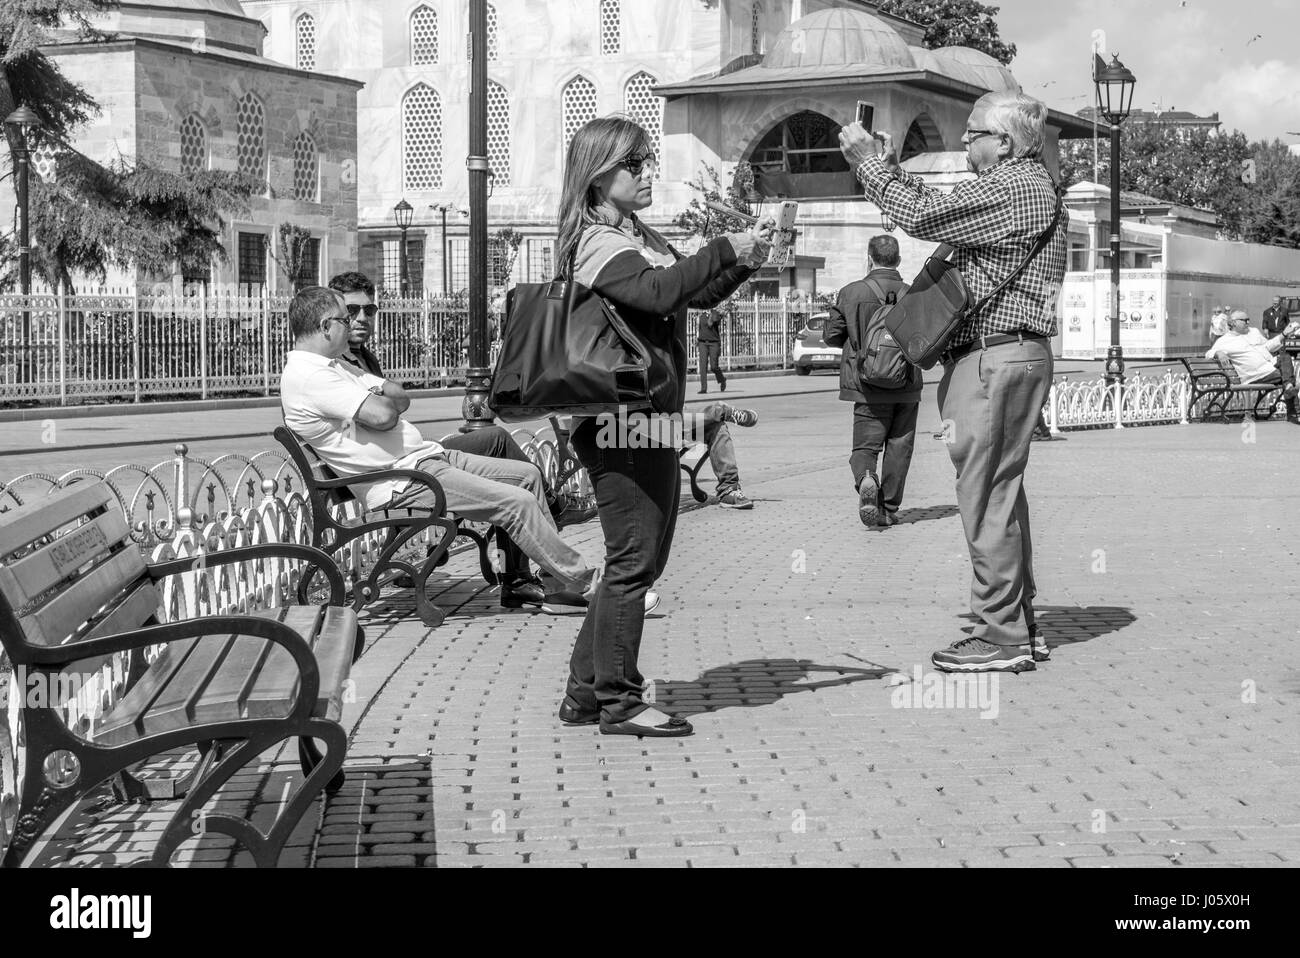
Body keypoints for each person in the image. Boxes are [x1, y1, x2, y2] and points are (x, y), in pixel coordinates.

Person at [556, 114, 771, 737]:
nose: (647, 172)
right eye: (634, 164)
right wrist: (723, 247)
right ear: (598, 176)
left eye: (648, 161)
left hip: (648, 418)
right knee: (632, 562)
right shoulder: (596, 241)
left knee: (640, 559)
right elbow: (654, 293)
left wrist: (745, 258)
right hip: (616, 422)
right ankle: (620, 703)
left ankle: (583, 695)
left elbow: (688, 294)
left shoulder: (636, 232)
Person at [840, 91, 1066, 674]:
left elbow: (924, 216)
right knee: (1001, 490)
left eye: (973, 134)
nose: (965, 143)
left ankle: (1002, 635)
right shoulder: (1025, 185)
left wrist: (867, 162)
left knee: (984, 492)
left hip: (992, 359)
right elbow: (938, 207)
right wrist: (888, 171)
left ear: (1007, 142)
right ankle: (1018, 623)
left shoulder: (1016, 184)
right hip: (1008, 354)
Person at [279, 286, 616, 616]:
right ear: (325, 327)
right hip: (404, 482)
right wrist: (382, 404)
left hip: (424, 460)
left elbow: (399, 397)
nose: (351, 325)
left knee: (526, 477)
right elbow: (385, 413)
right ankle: (591, 586)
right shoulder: (311, 377)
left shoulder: (334, 366)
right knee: (518, 503)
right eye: (343, 318)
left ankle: (552, 584)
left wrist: (382, 402)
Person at [327, 270, 597, 532]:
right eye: (352, 311)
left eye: (369, 311)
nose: (362, 318)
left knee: (496, 440)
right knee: (496, 441)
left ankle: (533, 542)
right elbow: (365, 425)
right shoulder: (335, 367)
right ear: (335, 313)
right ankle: (554, 511)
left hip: (410, 456)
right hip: (395, 469)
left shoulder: (364, 357)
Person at [824, 234, 921, 528]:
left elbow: (831, 336)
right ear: (899, 260)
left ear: (869, 258)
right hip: (906, 385)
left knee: (866, 446)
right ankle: (889, 508)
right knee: (899, 446)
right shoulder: (914, 294)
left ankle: (867, 477)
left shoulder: (851, 292)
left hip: (865, 386)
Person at [1206, 309, 1300, 422]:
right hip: (1255, 375)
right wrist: (1218, 353)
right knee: (1289, 377)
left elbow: (1267, 346)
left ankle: (1289, 389)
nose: (1248, 323)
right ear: (1233, 323)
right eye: (1244, 320)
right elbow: (1209, 353)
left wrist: (1284, 334)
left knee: (1285, 357)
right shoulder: (1224, 340)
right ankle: (1293, 411)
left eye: (1248, 320)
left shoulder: (1253, 332)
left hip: (1269, 368)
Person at [689, 401, 760, 509]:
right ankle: (724, 412)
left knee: (717, 427)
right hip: (658, 430)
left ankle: (729, 490)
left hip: (675, 429)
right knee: (675, 416)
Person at [697, 307, 726, 393]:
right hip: (702, 343)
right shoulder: (700, 316)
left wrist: (712, 312)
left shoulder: (715, 314)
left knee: (714, 367)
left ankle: (722, 380)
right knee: (703, 366)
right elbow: (700, 328)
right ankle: (703, 388)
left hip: (714, 343)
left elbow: (710, 324)